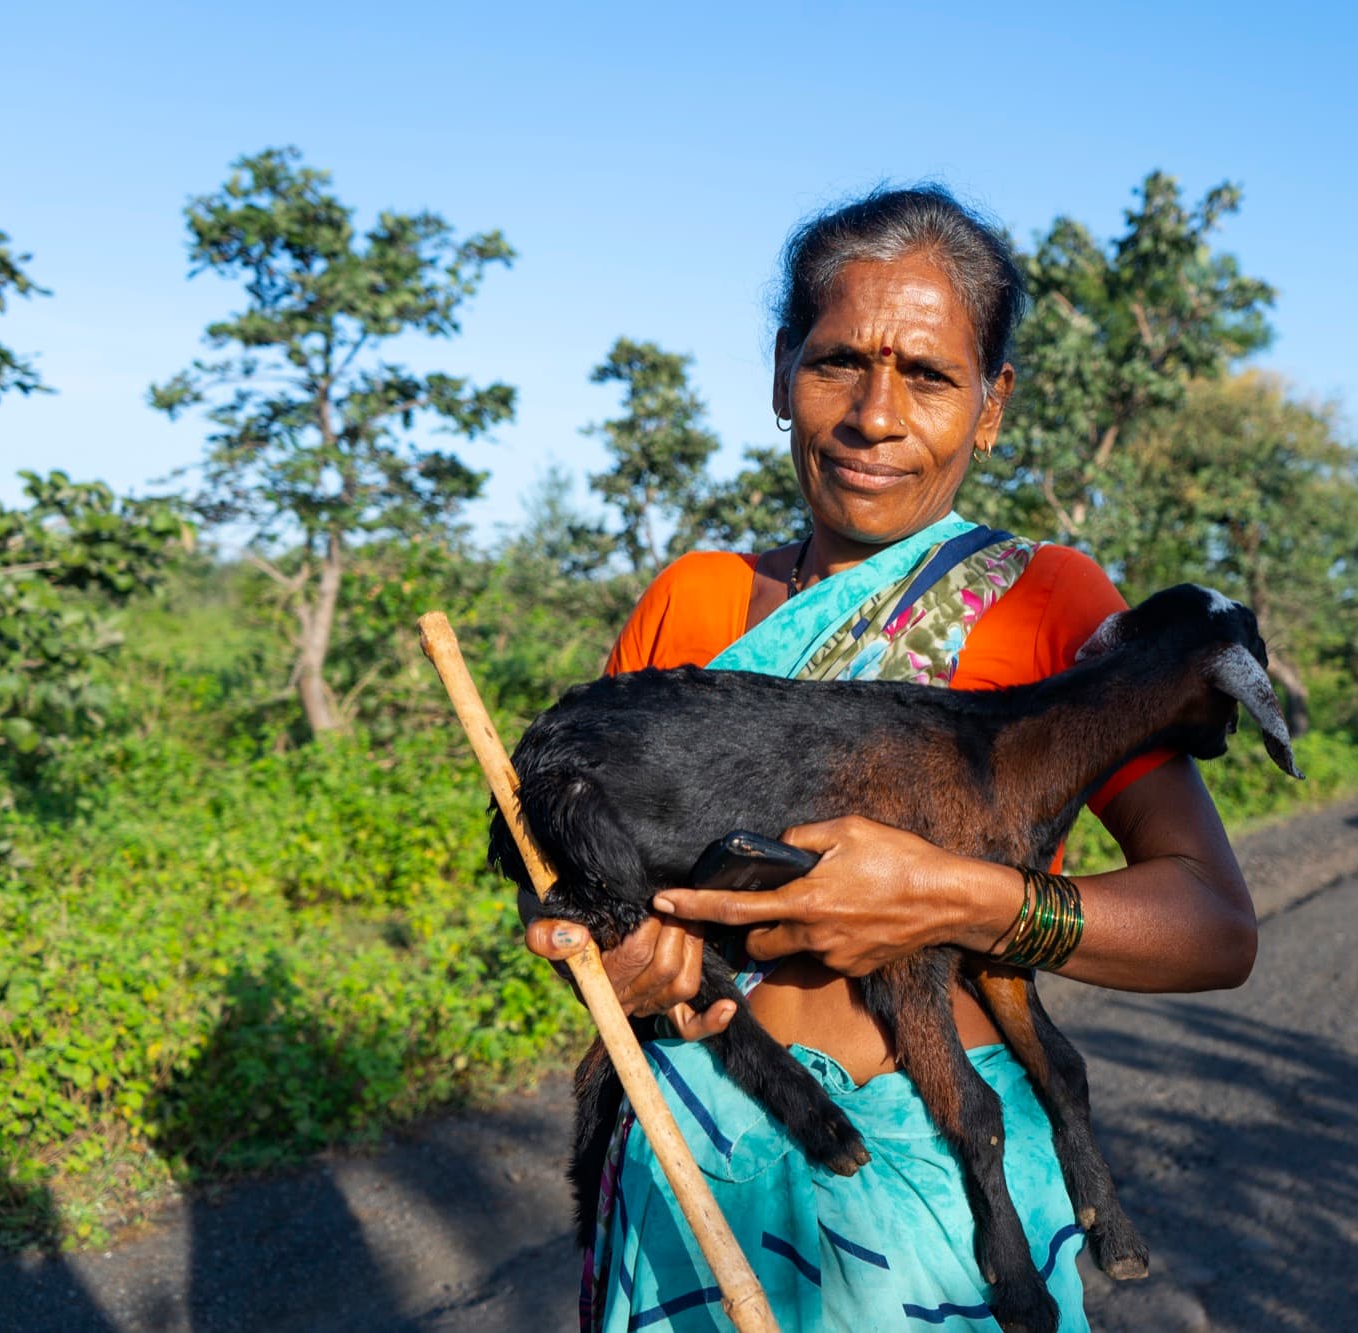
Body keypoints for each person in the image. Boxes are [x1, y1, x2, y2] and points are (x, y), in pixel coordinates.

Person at [522, 186, 1258, 1332]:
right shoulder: (693, 602)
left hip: (942, 1199)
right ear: (781, 377)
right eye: (836, 364)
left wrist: (946, 896)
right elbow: (581, 888)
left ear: (991, 405)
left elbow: (1212, 925)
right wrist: (616, 960)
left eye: (927, 375)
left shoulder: (1053, 603)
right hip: (693, 1162)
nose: (875, 414)